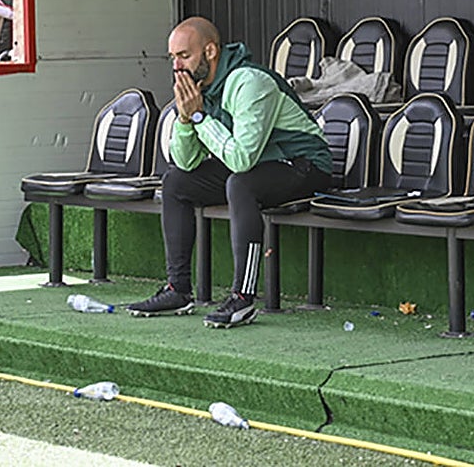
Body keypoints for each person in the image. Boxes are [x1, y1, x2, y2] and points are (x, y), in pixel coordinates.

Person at [127, 17, 334, 328]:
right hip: (259, 165)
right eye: (173, 58)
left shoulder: (249, 82)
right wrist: (185, 120)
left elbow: (241, 160)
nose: (177, 67)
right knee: (175, 182)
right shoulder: (201, 88)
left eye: (184, 56)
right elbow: (185, 162)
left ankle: (243, 298)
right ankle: (178, 289)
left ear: (210, 51)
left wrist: (198, 116)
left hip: (305, 164)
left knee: (241, 184)